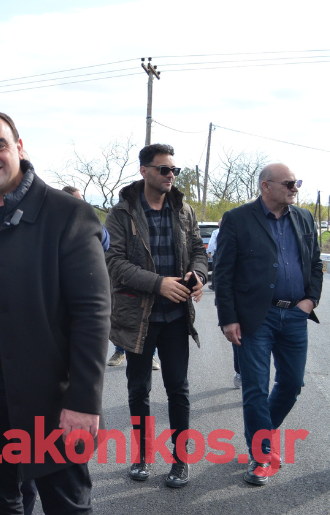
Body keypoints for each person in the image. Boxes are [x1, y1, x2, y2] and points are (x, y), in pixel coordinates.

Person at [0, 110, 111, 514]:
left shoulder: (67, 214)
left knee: (68, 506)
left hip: (50, 402)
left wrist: (84, 401)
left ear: (19, 147)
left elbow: (93, 315)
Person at [104, 143, 207, 489]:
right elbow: (114, 263)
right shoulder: (122, 214)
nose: (170, 175)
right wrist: (159, 283)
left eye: (174, 170)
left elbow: (198, 250)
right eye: (164, 169)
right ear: (144, 171)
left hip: (176, 317)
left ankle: (180, 459)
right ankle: (142, 454)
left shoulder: (184, 210)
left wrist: (198, 275)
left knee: (178, 388)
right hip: (138, 318)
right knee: (139, 389)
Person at [214, 163, 322, 485]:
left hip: (295, 316)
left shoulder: (304, 218)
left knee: (292, 384)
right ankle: (261, 454)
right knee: (256, 389)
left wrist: (310, 301)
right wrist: (228, 318)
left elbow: (315, 263)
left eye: (297, 182)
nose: (295, 188)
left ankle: (262, 432)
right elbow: (223, 272)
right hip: (256, 318)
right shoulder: (238, 218)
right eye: (288, 183)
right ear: (266, 186)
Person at [62, 186, 161, 372]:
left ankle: (149, 355)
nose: (82, 203)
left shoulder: (89, 219)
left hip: (112, 277)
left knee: (140, 314)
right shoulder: (54, 223)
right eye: (78, 200)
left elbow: (106, 241)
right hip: (74, 285)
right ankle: (118, 351)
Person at [206, 214, 241, 388]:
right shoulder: (226, 234)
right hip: (241, 303)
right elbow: (222, 272)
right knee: (242, 342)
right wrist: (226, 315)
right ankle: (241, 371)